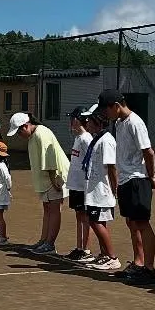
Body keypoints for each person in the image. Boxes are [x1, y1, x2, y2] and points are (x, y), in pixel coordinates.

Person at [90, 90, 155, 284]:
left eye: (106, 110)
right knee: (131, 223)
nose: (105, 115)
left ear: (116, 106)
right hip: (125, 180)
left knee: (142, 223)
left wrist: (151, 176)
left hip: (138, 179)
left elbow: (149, 152)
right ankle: (138, 263)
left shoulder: (135, 122)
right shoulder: (120, 123)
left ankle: (149, 270)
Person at [6, 112, 69, 255]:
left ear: (25, 126)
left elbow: (50, 158)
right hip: (46, 180)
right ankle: (43, 241)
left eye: (19, 132)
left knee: (54, 210)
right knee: (47, 209)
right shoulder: (33, 136)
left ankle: (50, 244)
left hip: (55, 178)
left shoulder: (41, 133)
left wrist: (54, 180)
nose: (19, 136)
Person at [80, 108, 121, 272]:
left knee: (96, 222)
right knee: (97, 222)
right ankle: (104, 254)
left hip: (102, 191)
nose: (87, 123)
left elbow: (111, 167)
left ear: (97, 121)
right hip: (93, 190)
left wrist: (115, 188)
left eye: (89, 120)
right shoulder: (97, 139)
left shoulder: (106, 140)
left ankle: (112, 257)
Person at [66, 108, 93, 262]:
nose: (70, 122)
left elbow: (91, 161)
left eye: (72, 118)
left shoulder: (86, 138)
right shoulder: (78, 138)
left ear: (77, 120)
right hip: (75, 184)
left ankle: (86, 249)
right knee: (78, 216)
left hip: (83, 185)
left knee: (85, 217)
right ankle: (79, 247)